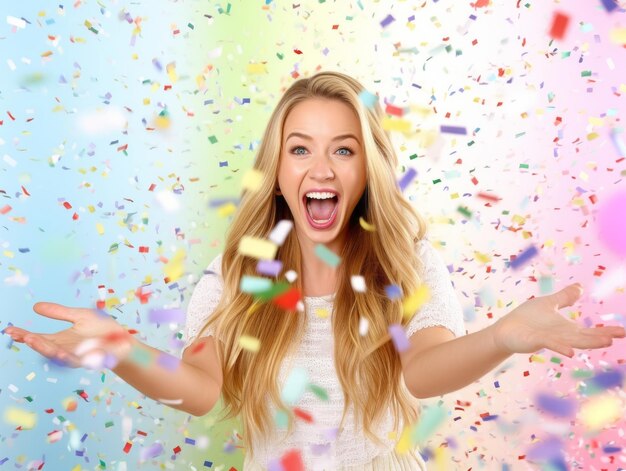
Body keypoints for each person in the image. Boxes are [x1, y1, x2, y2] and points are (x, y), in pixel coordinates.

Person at [4, 71, 625, 471]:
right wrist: (118, 349)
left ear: (367, 170)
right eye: (300, 148)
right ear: (277, 168)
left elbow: (427, 369)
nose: (321, 169)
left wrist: (501, 339)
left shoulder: (404, 265)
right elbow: (200, 390)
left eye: (344, 150)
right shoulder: (238, 277)